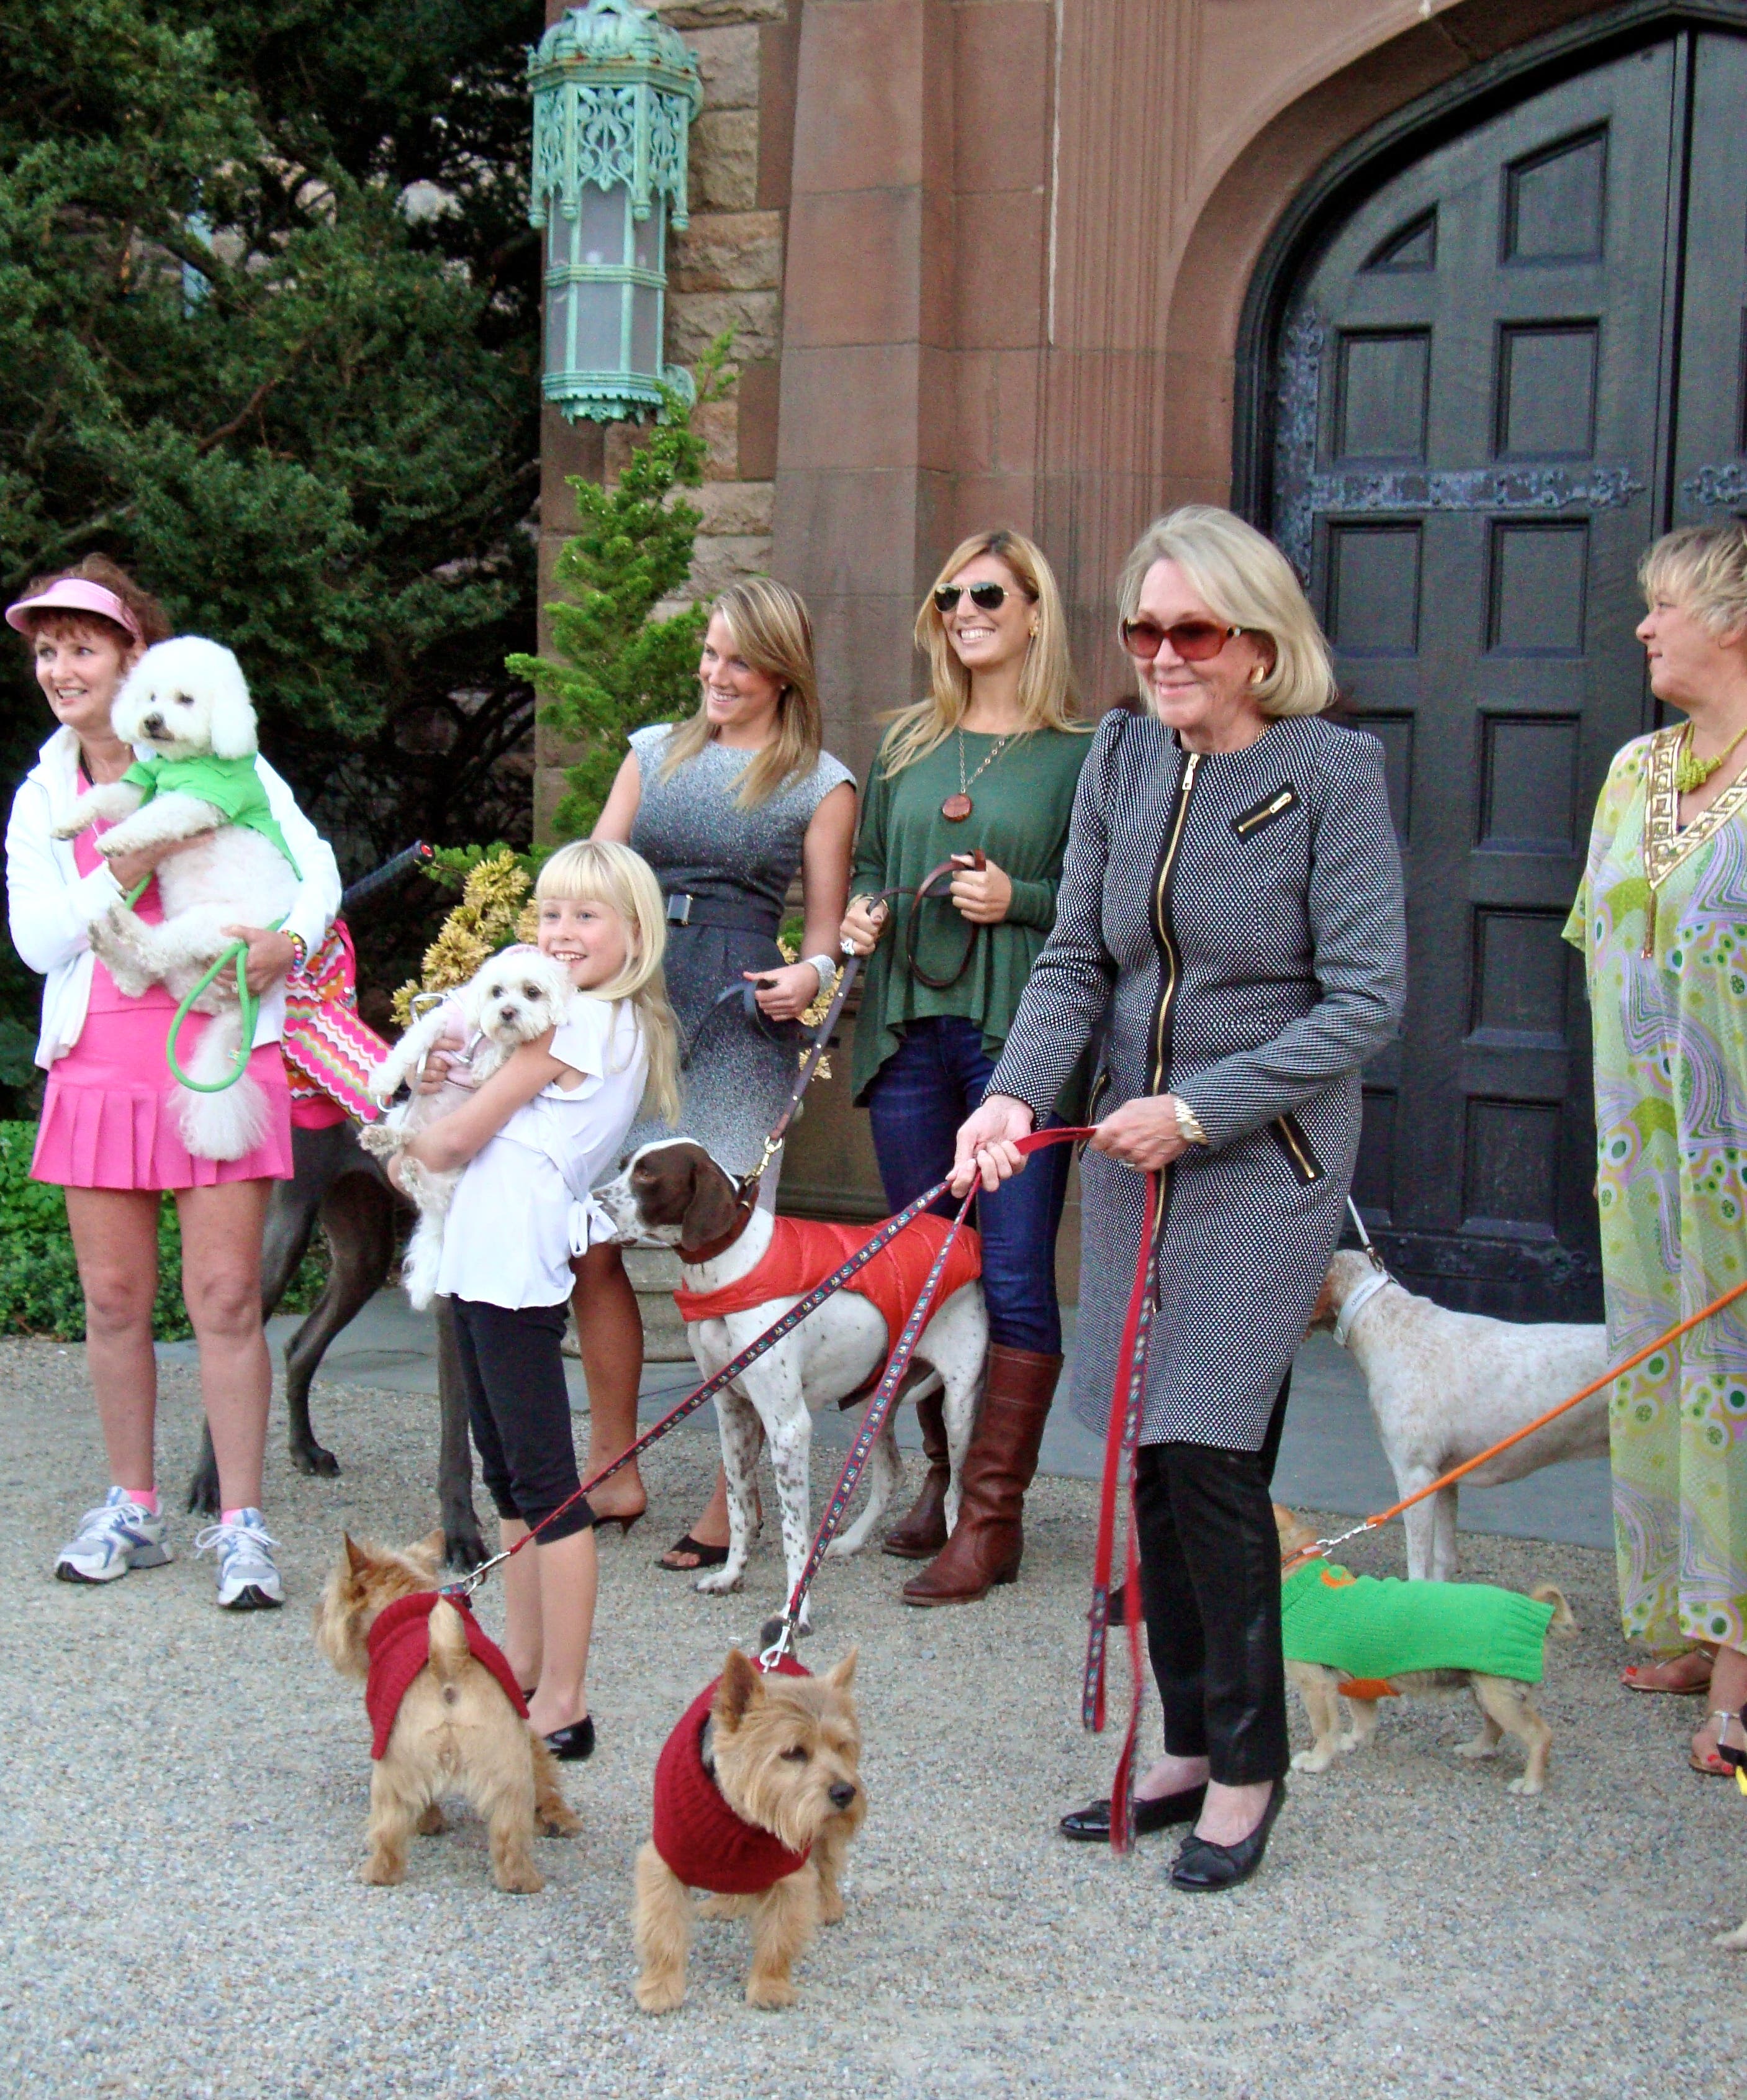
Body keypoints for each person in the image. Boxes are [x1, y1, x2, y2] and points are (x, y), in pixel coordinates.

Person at [953, 506, 1405, 1890]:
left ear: (1261, 643)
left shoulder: (1333, 772)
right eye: (1144, 630)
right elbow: (1077, 960)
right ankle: (1190, 1739)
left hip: (1261, 1166)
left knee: (1210, 1456)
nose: (1160, 655)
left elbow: (1367, 1001)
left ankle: (1249, 1765)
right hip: (1125, 1158)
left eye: (1190, 631)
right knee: (1148, 1452)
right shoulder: (1122, 758)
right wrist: (1017, 1098)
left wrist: (1204, 1105)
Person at [5, 556, 341, 1608]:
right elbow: (39, 939)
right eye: (47, 649)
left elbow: (315, 862)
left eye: (83, 647)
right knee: (113, 1299)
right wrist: (129, 863)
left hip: (220, 1036)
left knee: (229, 1294)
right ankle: (132, 1506)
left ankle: (241, 1525)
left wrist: (291, 937)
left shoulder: (228, 756)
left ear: (133, 657)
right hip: (101, 1049)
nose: (63, 668)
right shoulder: (46, 792)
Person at [583, 576, 856, 1570]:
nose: (715, 674)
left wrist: (809, 975)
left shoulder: (821, 781)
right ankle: (611, 1467)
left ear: (781, 671)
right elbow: (594, 870)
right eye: (708, 653)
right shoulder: (650, 751)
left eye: (738, 660)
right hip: (635, 1008)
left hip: (740, 1019)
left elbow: (824, 934)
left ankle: (724, 1502)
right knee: (591, 1237)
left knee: (730, 1255)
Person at [840, 528, 1088, 1606]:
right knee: (928, 1272)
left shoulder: (1084, 751)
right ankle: (937, 1485)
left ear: (1034, 610)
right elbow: (863, 862)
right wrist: (856, 914)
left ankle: (994, 1517)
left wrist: (1017, 901)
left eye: (988, 592)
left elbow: (1099, 900)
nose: (965, 610)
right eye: (948, 594)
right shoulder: (902, 740)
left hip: (1018, 1032)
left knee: (1018, 1270)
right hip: (907, 1026)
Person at [403, 839, 679, 1757]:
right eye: (551, 913)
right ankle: (520, 1662)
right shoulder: (585, 1018)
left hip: (513, 1254)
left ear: (635, 933)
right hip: (482, 1253)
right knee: (509, 1471)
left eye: (586, 916)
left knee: (547, 1483)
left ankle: (564, 1695)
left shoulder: (587, 1022)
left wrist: (430, 1115)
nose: (561, 933)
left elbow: (453, 1140)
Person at [1564, 522, 1747, 1773]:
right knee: (1663, 1363)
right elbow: (1602, 936)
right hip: (1646, 1145)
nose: (1644, 626)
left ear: (1733, 620)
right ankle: (1690, 1610)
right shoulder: (1634, 771)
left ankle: (1740, 1660)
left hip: (1738, 1142)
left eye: (1665, 605)